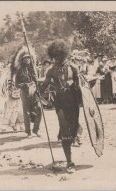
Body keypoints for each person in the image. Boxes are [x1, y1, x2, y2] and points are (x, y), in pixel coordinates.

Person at [41, 40, 82, 170]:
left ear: (65, 55)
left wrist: (78, 91)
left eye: (61, 57)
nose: (58, 59)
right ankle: (69, 161)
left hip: (73, 101)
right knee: (65, 130)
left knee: (73, 127)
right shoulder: (51, 70)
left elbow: (81, 86)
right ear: (53, 56)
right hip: (60, 101)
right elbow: (44, 86)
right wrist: (37, 91)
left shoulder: (74, 68)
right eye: (56, 57)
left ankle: (76, 133)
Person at [13, 48, 42, 137]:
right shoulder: (19, 70)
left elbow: (37, 80)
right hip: (25, 92)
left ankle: (36, 130)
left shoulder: (34, 69)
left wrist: (37, 82)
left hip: (34, 91)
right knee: (27, 113)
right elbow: (17, 84)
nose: (27, 60)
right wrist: (24, 85)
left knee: (39, 110)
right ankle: (28, 131)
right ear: (23, 60)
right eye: (26, 58)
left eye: (29, 58)